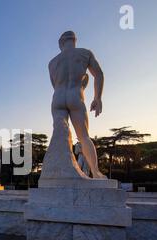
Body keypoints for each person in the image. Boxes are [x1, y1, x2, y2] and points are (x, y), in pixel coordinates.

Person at [48, 31, 106, 179]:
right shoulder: (85, 53)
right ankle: (95, 172)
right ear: (74, 41)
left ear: (61, 44)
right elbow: (98, 74)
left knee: (60, 134)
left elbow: (55, 85)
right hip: (75, 96)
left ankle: (58, 171)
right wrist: (97, 98)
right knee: (84, 137)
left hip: (58, 98)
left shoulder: (52, 62)